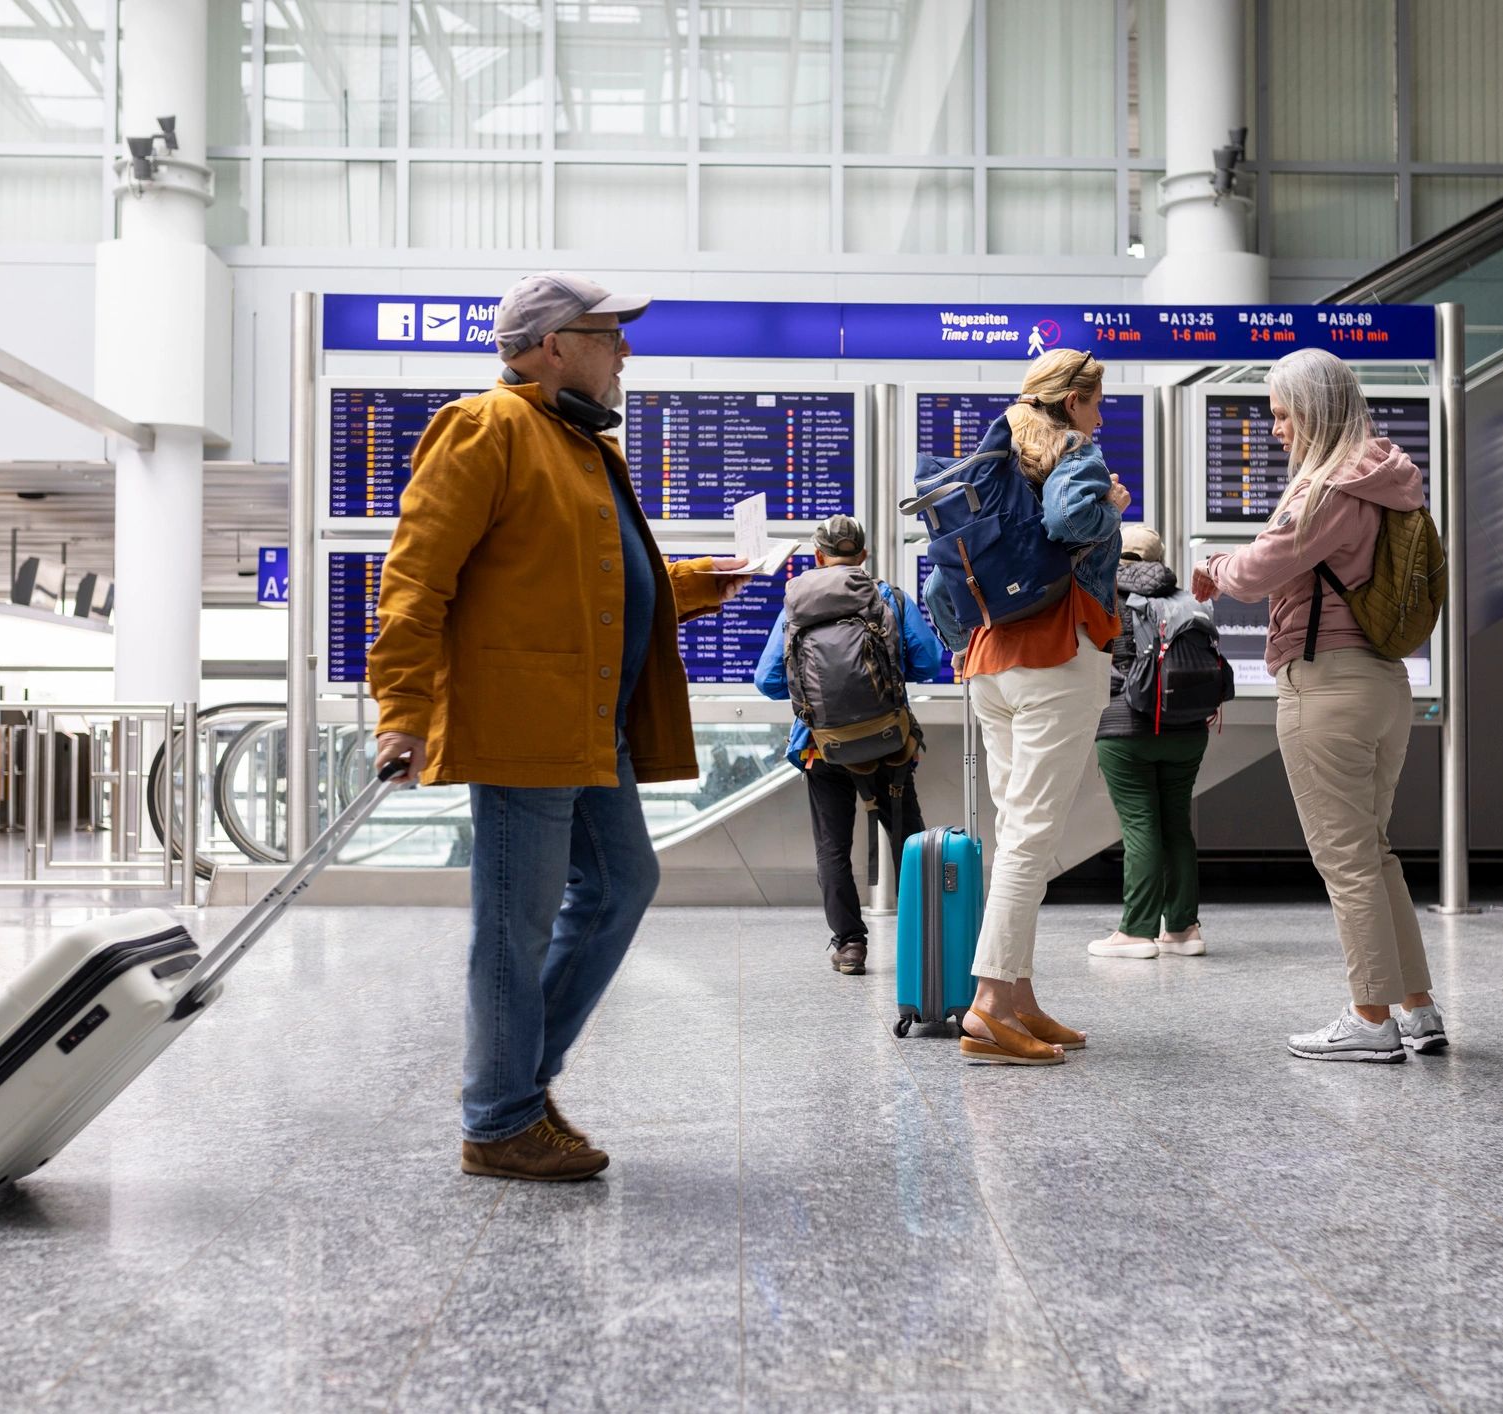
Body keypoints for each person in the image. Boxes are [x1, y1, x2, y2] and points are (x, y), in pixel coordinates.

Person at [368, 270, 748, 1182]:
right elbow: (416, 583)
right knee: (516, 924)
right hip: (525, 723)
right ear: (552, 346)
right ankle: (499, 1119)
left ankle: (518, 1084)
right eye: (609, 335)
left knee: (623, 883)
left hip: (588, 725)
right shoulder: (485, 430)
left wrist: (695, 583)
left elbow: (592, 583)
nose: (626, 352)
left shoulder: (577, 446)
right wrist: (402, 712)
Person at [1190, 347, 1445, 1064]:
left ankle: (1370, 1017)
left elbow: (1257, 568)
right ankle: (1417, 1009)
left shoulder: (1330, 487)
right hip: (1383, 683)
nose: (1275, 430)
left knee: (1347, 861)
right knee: (1374, 851)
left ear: (1316, 410)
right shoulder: (1392, 478)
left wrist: (1212, 568)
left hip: (1326, 686)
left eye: (1281, 415)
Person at [924, 349, 1127, 1066]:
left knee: (1017, 832)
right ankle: (986, 1007)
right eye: (1097, 402)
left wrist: (964, 642)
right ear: (1071, 401)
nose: (1101, 416)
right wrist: (1112, 508)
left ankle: (1018, 996)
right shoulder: (1076, 455)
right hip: (1056, 660)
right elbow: (1073, 521)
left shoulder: (987, 461)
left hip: (989, 667)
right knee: (1031, 839)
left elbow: (936, 588)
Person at [754, 514, 944, 975]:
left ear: (818, 557)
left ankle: (850, 945)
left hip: (822, 746)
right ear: (862, 556)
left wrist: (817, 699)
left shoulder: (795, 608)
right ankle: (929, 938)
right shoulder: (890, 599)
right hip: (888, 743)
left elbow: (768, 681)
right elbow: (929, 661)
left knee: (833, 846)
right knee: (908, 839)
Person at [1090, 524, 1211, 960]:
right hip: (1188, 728)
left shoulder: (1103, 595)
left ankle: (1136, 932)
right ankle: (1183, 930)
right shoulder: (1185, 600)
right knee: (1176, 824)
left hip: (1125, 728)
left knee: (1141, 824)